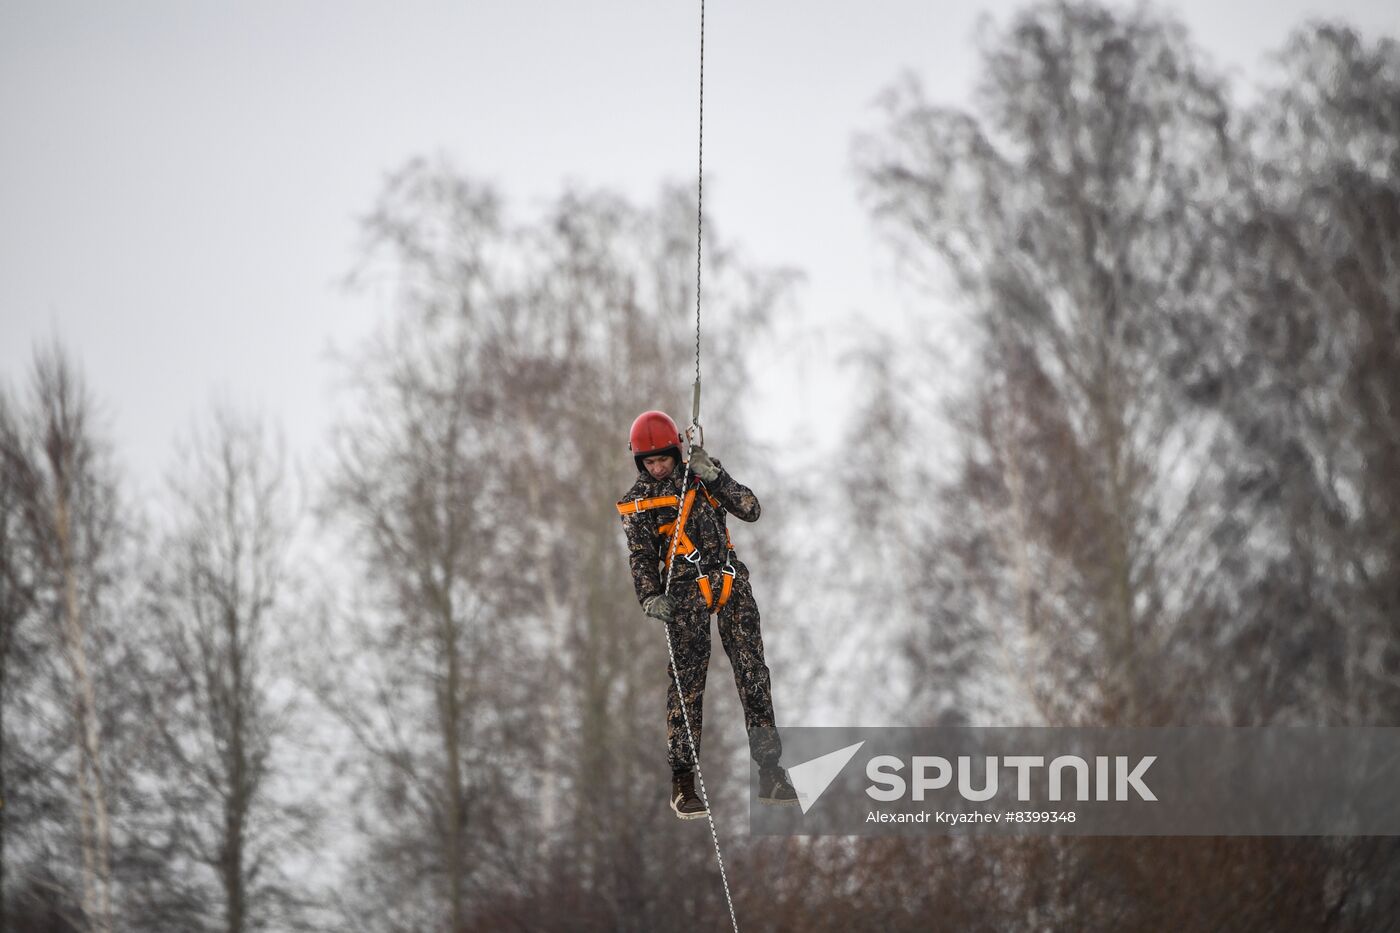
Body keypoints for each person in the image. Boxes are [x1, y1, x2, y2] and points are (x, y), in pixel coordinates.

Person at [616, 410, 798, 820]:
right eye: (649, 462)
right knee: (686, 686)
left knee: (753, 675)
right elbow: (641, 557)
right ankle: (683, 783)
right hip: (684, 595)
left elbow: (751, 510)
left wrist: (716, 476)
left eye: (663, 458)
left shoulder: (701, 477)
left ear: (676, 451)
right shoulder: (638, 502)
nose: (658, 467)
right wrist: (648, 596)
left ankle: (770, 771)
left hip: (731, 584)